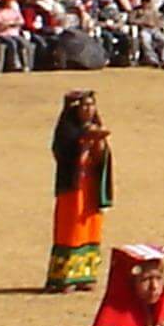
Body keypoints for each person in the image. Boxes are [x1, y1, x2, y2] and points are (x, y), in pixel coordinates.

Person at [47, 90, 114, 293]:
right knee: (70, 230)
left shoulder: (95, 127)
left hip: (91, 189)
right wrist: (83, 143)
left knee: (90, 229)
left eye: (91, 105)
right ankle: (64, 277)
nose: (88, 109)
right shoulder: (67, 132)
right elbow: (63, 154)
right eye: (84, 105)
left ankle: (86, 274)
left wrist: (99, 143)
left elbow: (103, 159)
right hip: (73, 189)